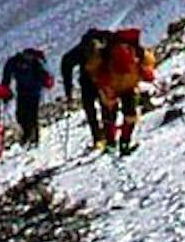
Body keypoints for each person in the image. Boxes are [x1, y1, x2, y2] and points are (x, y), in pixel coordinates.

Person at [89, 27, 157, 155]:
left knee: (109, 117)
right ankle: (125, 143)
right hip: (129, 87)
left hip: (110, 88)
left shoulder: (106, 51)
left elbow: (92, 69)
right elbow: (149, 65)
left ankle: (110, 144)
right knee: (130, 116)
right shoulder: (137, 50)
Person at [61, 27, 116, 148]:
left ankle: (97, 138)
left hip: (87, 83)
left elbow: (66, 62)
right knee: (107, 109)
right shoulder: (110, 42)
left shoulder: (81, 49)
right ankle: (110, 137)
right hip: (105, 82)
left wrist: (68, 90)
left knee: (90, 111)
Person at [1, 45, 54, 148]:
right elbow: (6, 78)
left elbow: (45, 77)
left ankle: (33, 138)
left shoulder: (36, 64)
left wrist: (46, 82)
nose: (22, 67)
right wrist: (5, 92)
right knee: (20, 115)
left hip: (35, 92)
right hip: (22, 91)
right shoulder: (13, 63)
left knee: (32, 115)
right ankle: (28, 135)